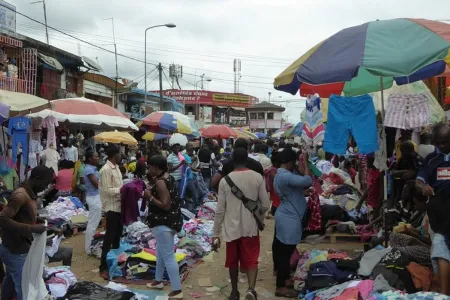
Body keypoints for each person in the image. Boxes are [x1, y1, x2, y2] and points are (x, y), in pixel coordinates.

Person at [212, 148, 270, 300]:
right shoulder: (257, 177)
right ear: (247, 159)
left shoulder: (225, 181)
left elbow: (220, 211)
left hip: (231, 228)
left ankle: (234, 292)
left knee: (232, 261)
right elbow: (265, 205)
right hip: (250, 227)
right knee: (251, 259)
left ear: (232, 160)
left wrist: (215, 234)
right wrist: (257, 212)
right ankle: (251, 290)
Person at [0, 165, 54, 300]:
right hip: (14, 249)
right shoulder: (20, 195)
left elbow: (20, 215)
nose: (45, 187)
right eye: (45, 183)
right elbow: (3, 218)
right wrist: (30, 228)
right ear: (37, 178)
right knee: (23, 286)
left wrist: (36, 218)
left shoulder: (29, 194)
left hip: (16, 246)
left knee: (11, 279)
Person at [416, 123, 450, 295]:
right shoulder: (430, 159)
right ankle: (444, 295)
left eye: (444, 142)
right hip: (439, 215)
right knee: (440, 250)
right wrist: (423, 187)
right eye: (437, 143)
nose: (440, 146)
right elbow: (419, 180)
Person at [273, 149, 312, 298]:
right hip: (289, 218)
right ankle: (280, 287)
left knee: (284, 250)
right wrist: (306, 163)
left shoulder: (281, 174)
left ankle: (283, 279)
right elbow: (308, 181)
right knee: (285, 252)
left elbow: (296, 189)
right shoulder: (285, 176)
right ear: (289, 162)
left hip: (286, 215)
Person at [145, 155, 183, 299]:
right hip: (169, 222)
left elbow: (166, 205)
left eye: (150, 167)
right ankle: (158, 280)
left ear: (156, 167)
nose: (149, 169)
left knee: (168, 257)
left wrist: (150, 197)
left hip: (163, 223)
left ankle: (177, 290)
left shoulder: (161, 182)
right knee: (161, 253)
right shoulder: (168, 177)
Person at [98, 144, 123, 275]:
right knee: (110, 236)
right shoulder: (106, 169)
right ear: (115, 155)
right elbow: (107, 190)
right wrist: (123, 190)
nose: (121, 156)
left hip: (119, 207)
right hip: (111, 207)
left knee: (118, 235)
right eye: (120, 153)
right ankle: (103, 265)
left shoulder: (117, 168)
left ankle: (115, 261)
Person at [84, 151, 101, 254]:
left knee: (93, 222)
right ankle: (89, 247)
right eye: (96, 156)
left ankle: (90, 246)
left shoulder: (92, 168)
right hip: (93, 197)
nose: (98, 158)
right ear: (90, 158)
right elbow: (96, 184)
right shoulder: (89, 169)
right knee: (93, 223)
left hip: (95, 196)